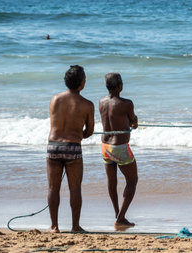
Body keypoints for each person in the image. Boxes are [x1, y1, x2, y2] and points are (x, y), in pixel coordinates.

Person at [47, 65, 94, 233]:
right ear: (81, 83)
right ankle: (75, 226)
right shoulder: (87, 104)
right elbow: (89, 131)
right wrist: (76, 134)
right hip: (73, 147)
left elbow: (55, 123)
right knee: (75, 188)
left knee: (53, 187)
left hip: (53, 146)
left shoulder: (55, 99)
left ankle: (54, 227)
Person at [99, 72, 139, 226]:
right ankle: (121, 217)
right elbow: (132, 122)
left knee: (112, 181)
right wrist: (135, 123)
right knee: (132, 180)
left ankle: (117, 213)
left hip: (105, 146)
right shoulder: (126, 103)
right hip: (119, 147)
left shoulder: (101, 102)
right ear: (119, 86)